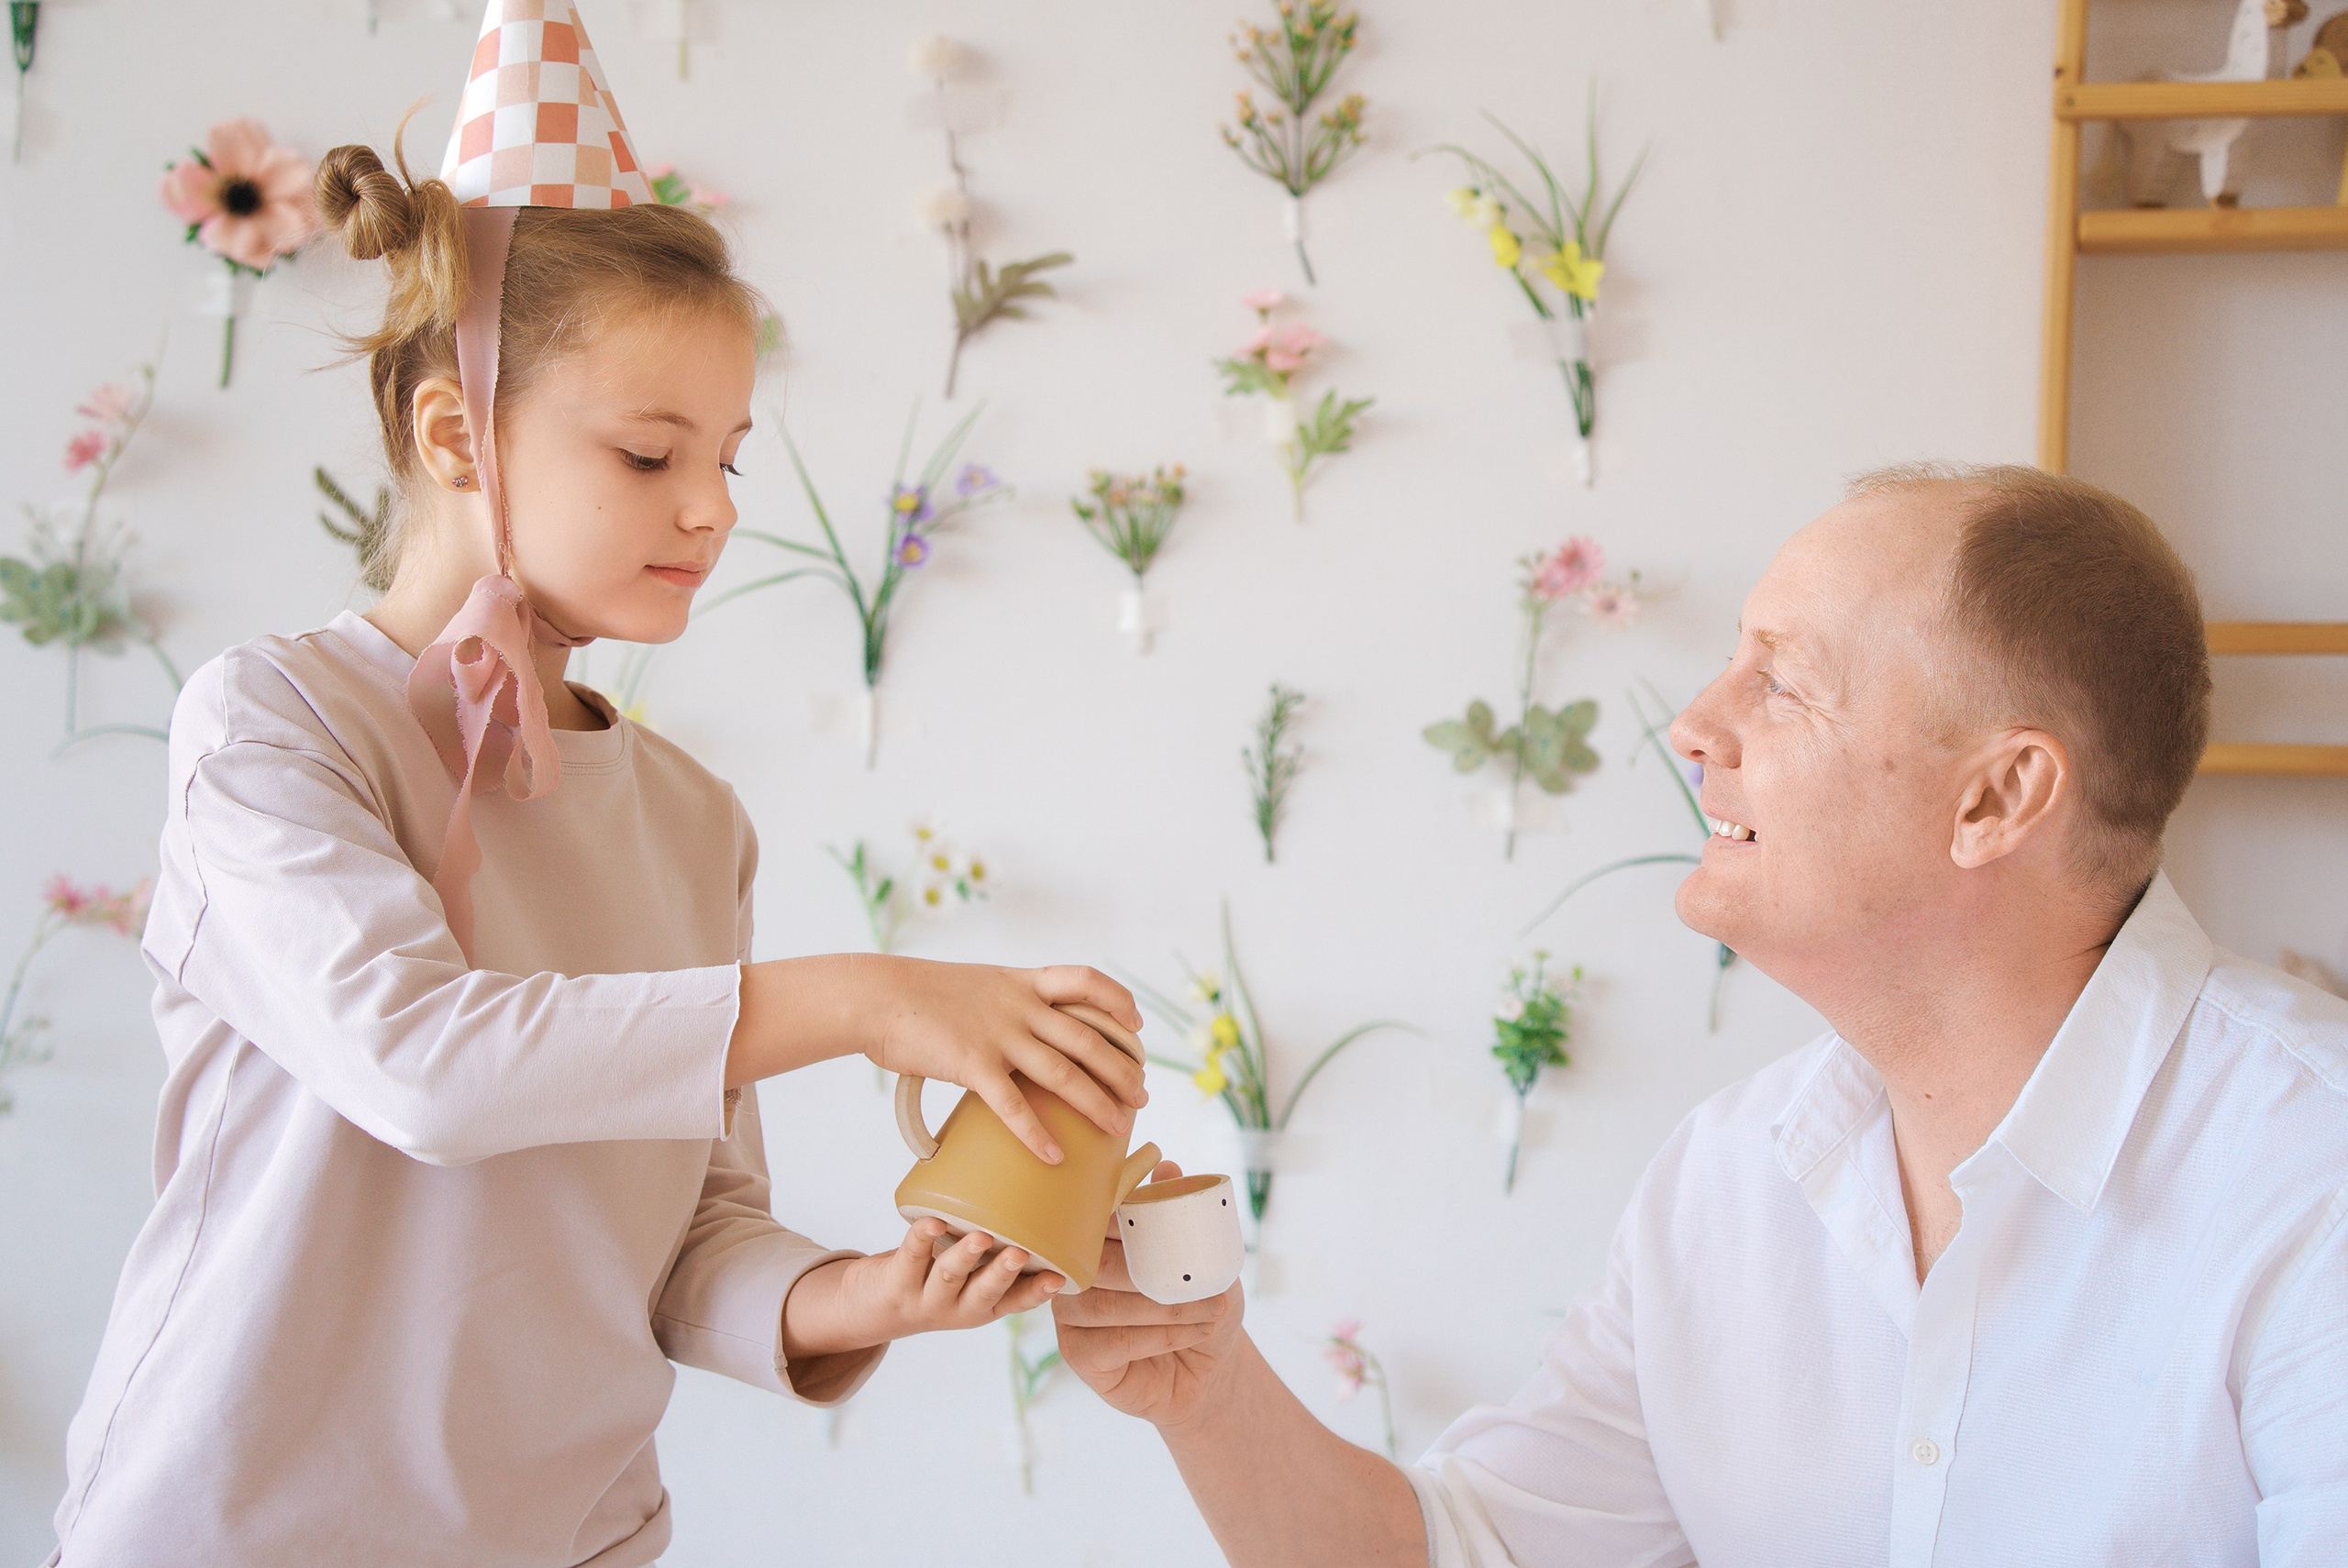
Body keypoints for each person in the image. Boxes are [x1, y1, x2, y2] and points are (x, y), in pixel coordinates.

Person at [44, 63, 1149, 1568]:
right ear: (453, 437)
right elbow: (422, 1062)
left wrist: (865, 1292)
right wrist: (868, 997)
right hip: (241, 1532)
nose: (710, 508)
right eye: (650, 452)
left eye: (728, 457)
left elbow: (689, 1237)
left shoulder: (697, 823)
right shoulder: (274, 727)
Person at [1055, 464, 2348, 1568]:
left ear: (1997, 797)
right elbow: (1463, 1551)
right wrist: (1207, 1387)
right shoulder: (1728, 1180)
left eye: (1780, 682)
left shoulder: (2310, 1170)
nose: (1694, 724)